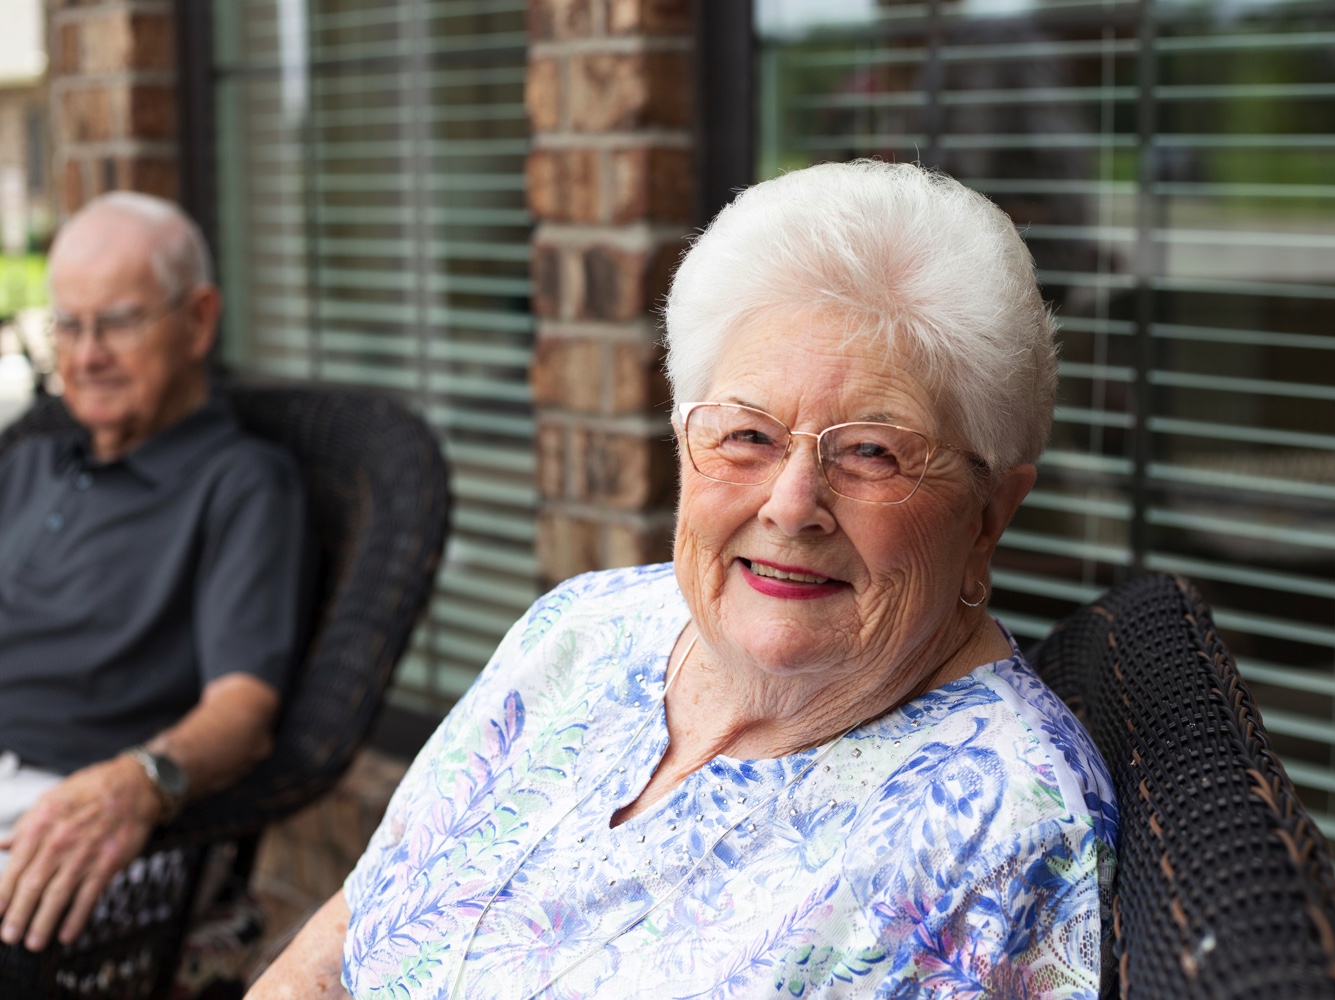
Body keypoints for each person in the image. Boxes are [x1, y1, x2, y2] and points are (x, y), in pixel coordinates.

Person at [254, 160, 1117, 999]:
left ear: (990, 515)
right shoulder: (583, 628)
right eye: (747, 434)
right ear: (684, 442)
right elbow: (354, 922)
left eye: (872, 451)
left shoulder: (1000, 830)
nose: (791, 504)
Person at [0, 192, 308, 954]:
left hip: (60, 804)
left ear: (199, 319)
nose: (86, 355)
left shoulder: (240, 483)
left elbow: (243, 711)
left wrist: (140, 781)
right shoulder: (32, 460)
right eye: (68, 325)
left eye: (119, 322)